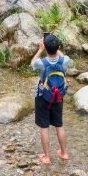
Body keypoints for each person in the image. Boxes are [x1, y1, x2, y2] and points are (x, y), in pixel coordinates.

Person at [32, 34, 71, 165]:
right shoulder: (65, 61)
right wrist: (55, 48)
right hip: (58, 97)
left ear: (45, 47)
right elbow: (63, 56)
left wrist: (40, 49)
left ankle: (47, 157)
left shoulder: (41, 63)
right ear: (58, 47)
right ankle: (64, 153)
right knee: (59, 125)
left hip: (43, 97)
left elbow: (32, 63)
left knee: (44, 127)